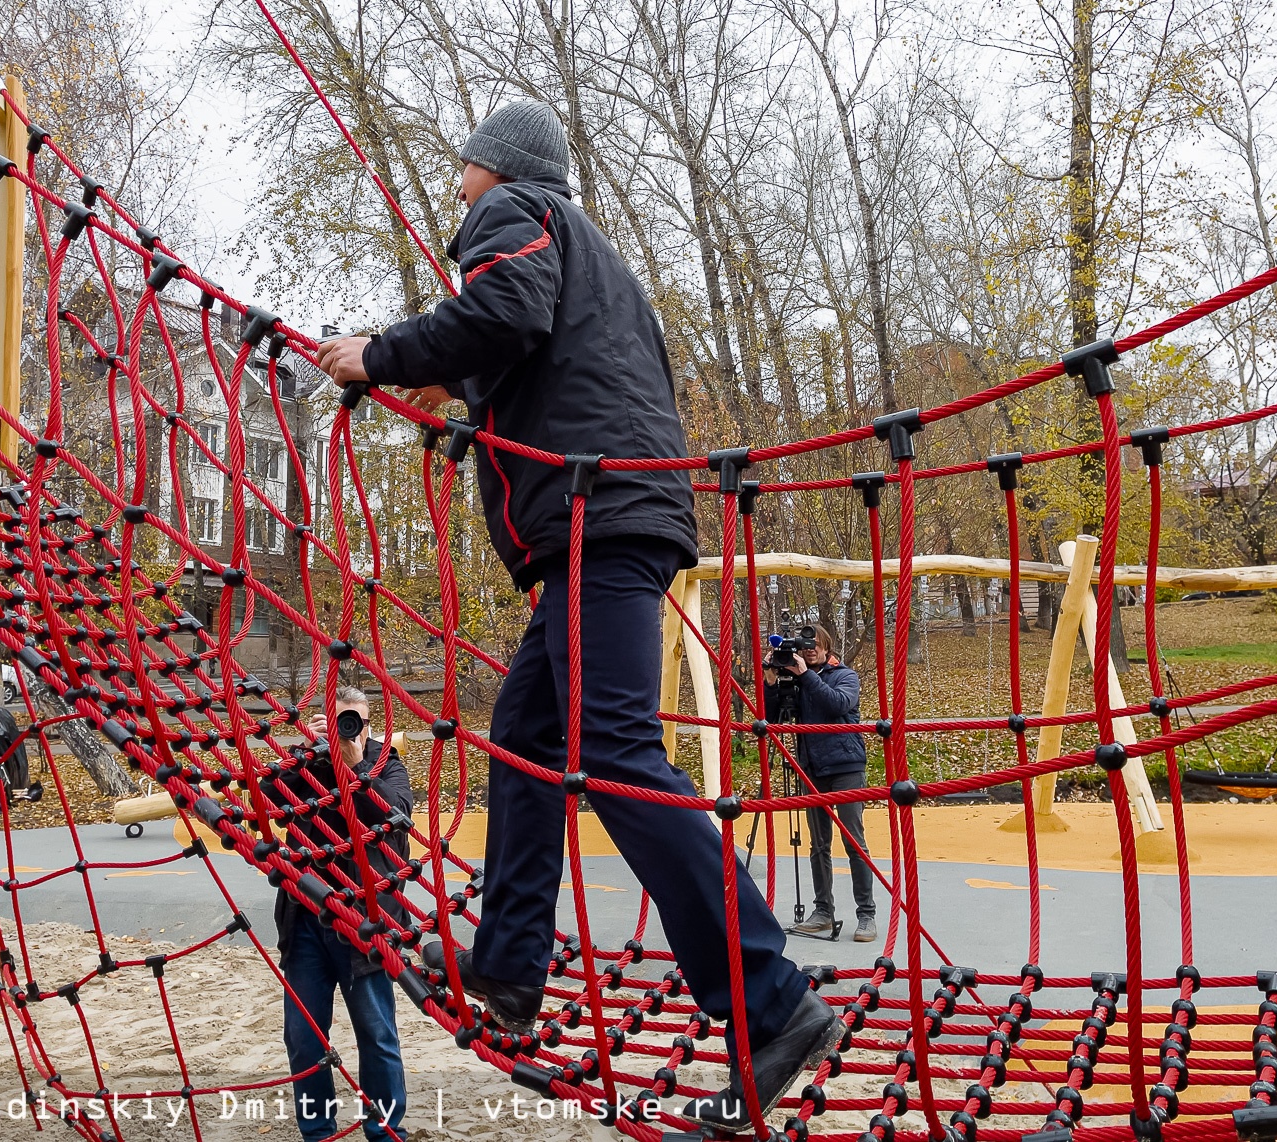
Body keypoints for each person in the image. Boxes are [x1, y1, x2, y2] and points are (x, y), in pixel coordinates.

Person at [316, 100, 839, 1133]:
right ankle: (510, 965)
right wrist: (443, 379)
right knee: (524, 734)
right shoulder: (585, 254)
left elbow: (503, 313)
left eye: (463, 166)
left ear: (492, 167)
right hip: (605, 514)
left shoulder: (515, 212)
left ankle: (772, 1003)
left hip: (600, 516)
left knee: (613, 747)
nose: (456, 186)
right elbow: (526, 350)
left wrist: (378, 352)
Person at [266, 687, 412, 1142]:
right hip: (305, 920)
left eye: (354, 721)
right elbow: (268, 796)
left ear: (368, 725)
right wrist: (309, 754)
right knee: (304, 1038)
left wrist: (354, 766)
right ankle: (317, 1132)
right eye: (337, 721)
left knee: (377, 1036)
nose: (347, 729)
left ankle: (385, 1132)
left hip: (363, 924)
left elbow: (395, 814)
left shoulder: (386, 763)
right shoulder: (308, 763)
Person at [763, 623, 876, 942]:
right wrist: (772, 681)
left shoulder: (846, 675)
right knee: (819, 845)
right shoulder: (798, 680)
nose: (810, 649)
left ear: (827, 647)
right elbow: (772, 718)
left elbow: (837, 704)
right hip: (812, 767)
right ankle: (823, 911)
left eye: (815, 644)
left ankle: (866, 914)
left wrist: (804, 675)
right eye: (804, 646)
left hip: (845, 766)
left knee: (854, 841)